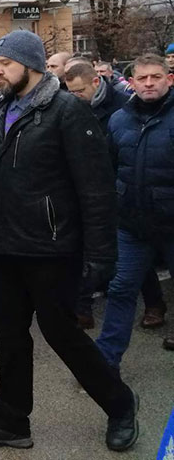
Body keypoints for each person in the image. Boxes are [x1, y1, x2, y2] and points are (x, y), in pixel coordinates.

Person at [0, 30, 138, 452]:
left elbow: (95, 190)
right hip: (4, 246)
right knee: (9, 336)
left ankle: (120, 405)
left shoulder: (66, 112)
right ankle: (10, 422)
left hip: (50, 248)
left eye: (4, 63)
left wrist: (100, 257)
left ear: (32, 65)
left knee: (63, 335)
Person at [97, 53, 174, 362]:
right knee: (120, 289)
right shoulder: (119, 119)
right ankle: (105, 362)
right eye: (142, 78)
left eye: (156, 76)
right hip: (132, 225)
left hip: (172, 222)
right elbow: (109, 167)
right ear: (131, 83)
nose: (149, 83)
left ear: (169, 79)